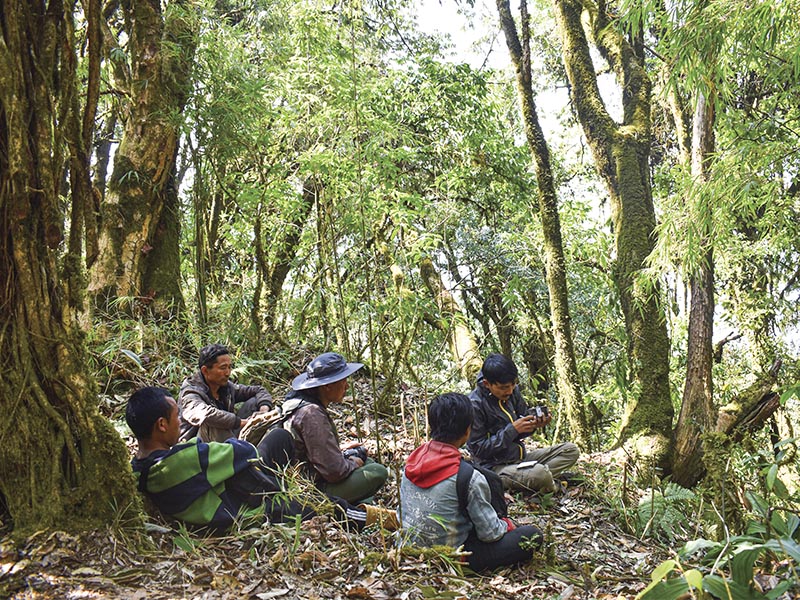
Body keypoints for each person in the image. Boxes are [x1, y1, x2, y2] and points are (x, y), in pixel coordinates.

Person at [127, 386, 397, 533]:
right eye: (177, 418)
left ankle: (360, 508)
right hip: (245, 510)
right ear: (162, 425)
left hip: (227, 492)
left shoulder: (139, 470)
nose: (180, 423)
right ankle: (380, 520)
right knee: (322, 507)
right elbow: (241, 452)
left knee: (278, 439)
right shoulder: (182, 461)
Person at [400, 393, 542, 572]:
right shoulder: (468, 477)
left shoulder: (411, 463)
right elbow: (490, 534)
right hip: (450, 556)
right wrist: (507, 524)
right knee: (532, 535)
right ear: (468, 430)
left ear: (431, 426)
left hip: (410, 547)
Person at [467, 353, 580, 494]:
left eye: (513, 384)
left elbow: (523, 423)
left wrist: (534, 424)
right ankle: (549, 483)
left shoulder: (513, 392)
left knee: (570, 450)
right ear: (487, 384)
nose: (509, 391)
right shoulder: (474, 405)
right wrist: (512, 430)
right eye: (503, 387)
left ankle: (536, 478)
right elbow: (478, 449)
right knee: (540, 474)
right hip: (494, 467)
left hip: (519, 458)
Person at [285, 352, 388, 504]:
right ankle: (356, 510)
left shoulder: (298, 404)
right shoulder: (312, 414)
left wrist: (341, 453)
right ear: (327, 386)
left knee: (369, 461)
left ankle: (359, 506)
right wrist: (353, 461)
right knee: (377, 471)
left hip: (302, 480)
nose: (347, 386)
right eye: (343, 381)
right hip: (309, 491)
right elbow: (334, 472)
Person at [178, 343, 274, 443]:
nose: (228, 373)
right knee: (214, 422)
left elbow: (259, 390)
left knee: (254, 402)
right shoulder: (190, 393)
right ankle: (239, 452)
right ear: (205, 370)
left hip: (225, 440)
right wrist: (244, 423)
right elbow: (205, 415)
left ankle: (246, 450)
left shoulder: (226, 387)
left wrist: (263, 411)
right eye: (223, 368)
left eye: (229, 367)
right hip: (196, 448)